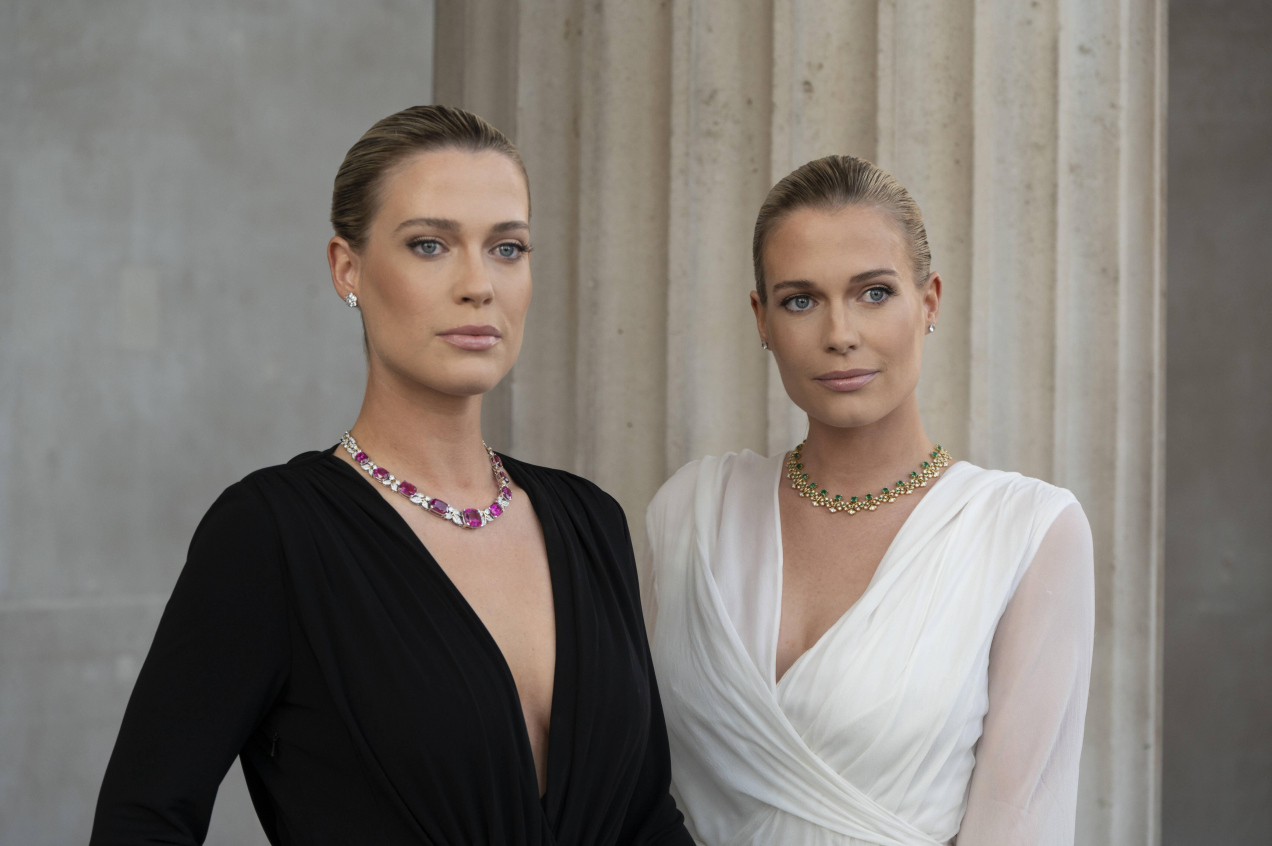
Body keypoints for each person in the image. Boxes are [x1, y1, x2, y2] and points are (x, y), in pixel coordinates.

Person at [90, 105, 691, 846]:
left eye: (507, 248)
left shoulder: (590, 520)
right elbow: (142, 821)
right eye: (430, 245)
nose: (479, 285)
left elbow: (646, 819)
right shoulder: (272, 536)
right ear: (348, 268)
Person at [645, 156, 1094, 845]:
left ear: (930, 302)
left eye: (874, 293)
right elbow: (633, 786)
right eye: (800, 301)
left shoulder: (1028, 532)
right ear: (762, 319)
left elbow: (1019, 820)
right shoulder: (690, 514)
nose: (840, 334)